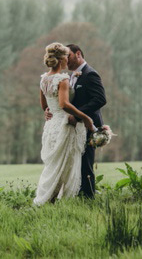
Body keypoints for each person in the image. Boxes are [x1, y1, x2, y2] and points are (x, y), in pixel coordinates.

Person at [33, 43, 97, 205]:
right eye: (66, 57)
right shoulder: (62, 79)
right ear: (62, 59)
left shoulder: (44, 79)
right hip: (64, 125)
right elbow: (64, 104)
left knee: (54, 164)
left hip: (51, 125)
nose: (68, 59)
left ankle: (47, 198)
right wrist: (86, 118)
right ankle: (52, 200)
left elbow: (44, 106)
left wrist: (48, 110)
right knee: (64, 164)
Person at [46, 43, 107, 198]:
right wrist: (50, 110)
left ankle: (88, 198)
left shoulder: (90, 74)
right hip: (73, 126)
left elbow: (100, 100)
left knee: (86, 164)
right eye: (65, 56)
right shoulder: (70, 76)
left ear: (78, 54)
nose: (66, 59)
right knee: (74, 163)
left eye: (69, 55)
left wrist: (79, 115)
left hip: (87, 125)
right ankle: (75, 195)